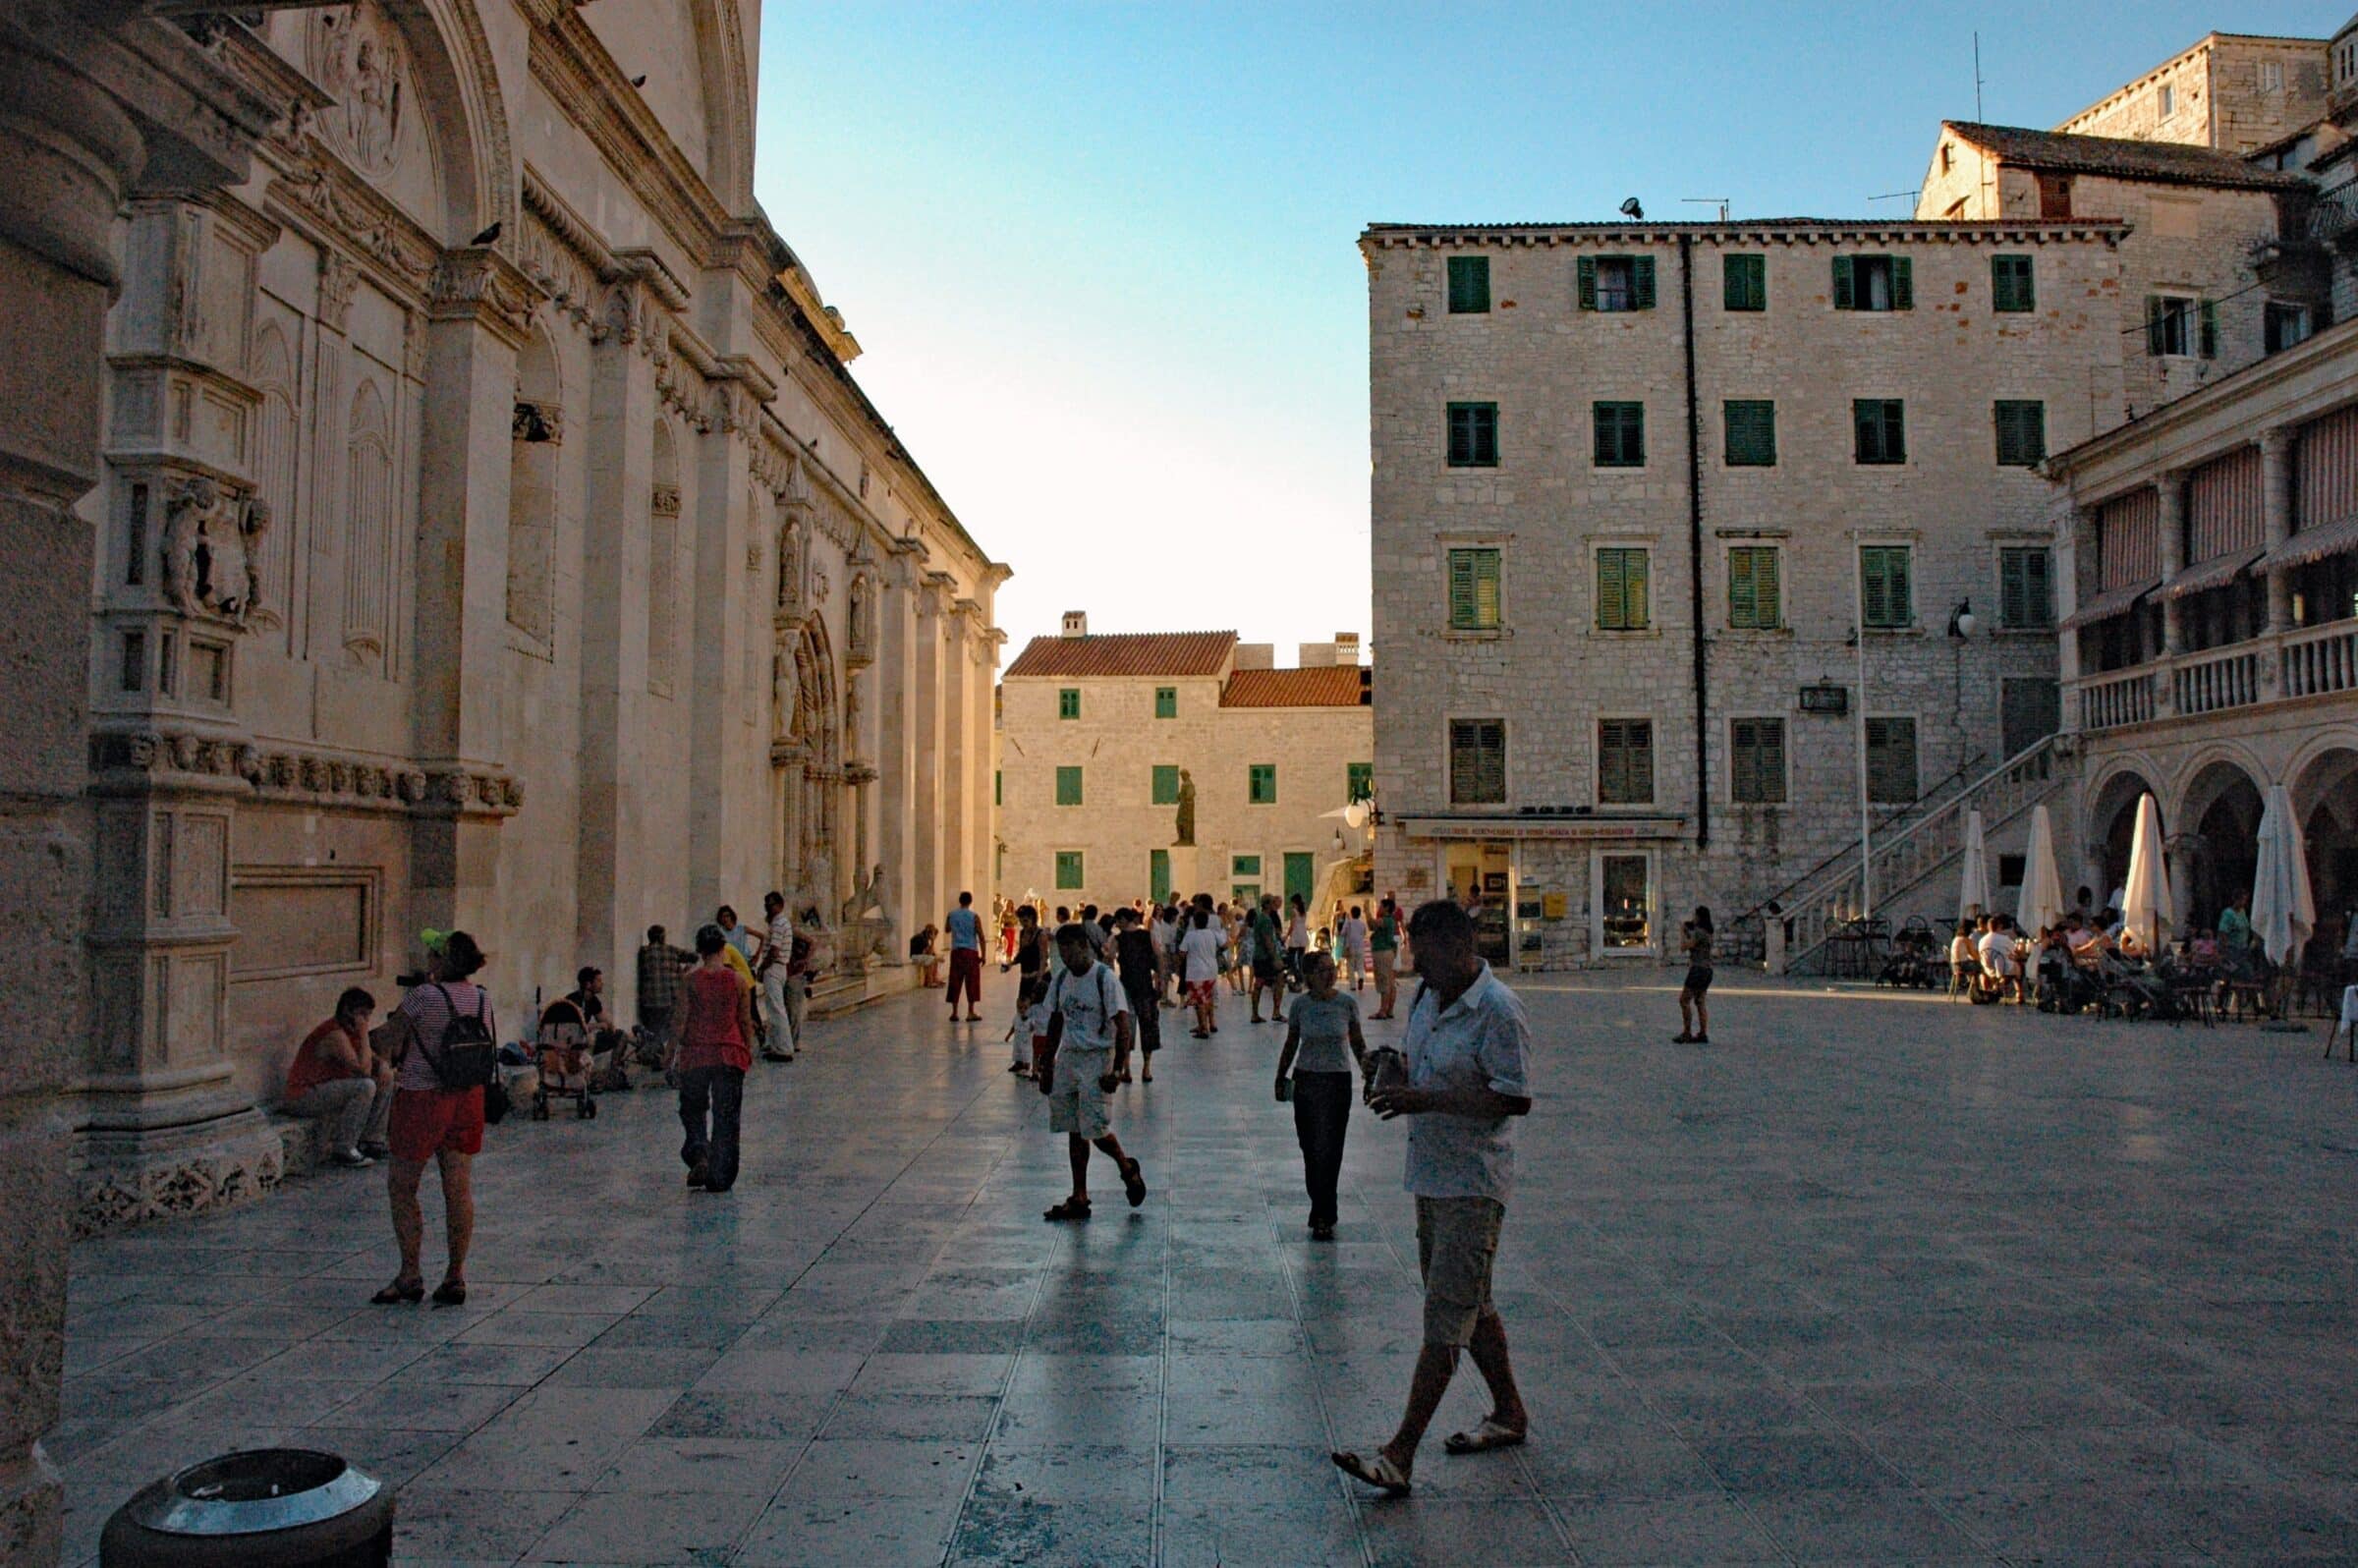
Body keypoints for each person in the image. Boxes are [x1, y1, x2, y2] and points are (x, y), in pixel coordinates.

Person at [1333, 900, 1534, 1497]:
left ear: (1459, 948)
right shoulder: (1427, 999)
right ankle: (1509, 1412)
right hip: (1431, 1176)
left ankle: (1400, 1452)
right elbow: (1420, 1064)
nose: (1416, 966)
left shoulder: (1498, 1011)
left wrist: (1428, 1101)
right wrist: (1391, 1068)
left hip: (1475, 1183)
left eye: (1425, 953)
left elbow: (1515, 1098)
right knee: (1471, 1302)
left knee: (1447, 1315)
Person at [374, 930, 496, 1307]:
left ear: (441, 962)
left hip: (422, 1099)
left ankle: (410, 1273)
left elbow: (387, 1041)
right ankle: (455, 1275)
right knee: (458, 1189)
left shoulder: (423, 996)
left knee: (403, 1186)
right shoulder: (481, 998)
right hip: (466, 1098)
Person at [1039, 924, 1149, 1222]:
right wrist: (1047, 1064)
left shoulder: (1104, 979)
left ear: (1084, 947)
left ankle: (1126, 1168)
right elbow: (1055, 1022)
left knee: (1095, 1128)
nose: (1066, 958)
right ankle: (1079, 1195)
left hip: (1097, 1059)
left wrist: (1117, 1069)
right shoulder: (1061, 979)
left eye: (1070, 951)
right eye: (1061, 952)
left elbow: (1123, 1026)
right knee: (1075, 1127)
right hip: (1070, 1059)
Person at [1275, 951, 1369, 1240]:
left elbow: (1358, 1044)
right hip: (1307, 1080)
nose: (1329, 975)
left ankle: (1323, 1212)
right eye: (1323, 970)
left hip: (1337, 1081)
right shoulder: (1301, 1006)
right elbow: (1291, 1043)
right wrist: (1281, 1076)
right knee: (1311, 1147)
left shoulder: (1347, 1005)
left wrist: (1369, 1075)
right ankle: (1320, 1201)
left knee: (1331, 1147)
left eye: (1332, 969)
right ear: (1309, 975)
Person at [671, 924, 756, 1193]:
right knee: (726, 1115)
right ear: (723, 949)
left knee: (693, 1109)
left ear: (699, 950)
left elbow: (680, 1021)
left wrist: (669, 1052)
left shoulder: (690, 981)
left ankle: (699, 1153)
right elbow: (744, 1020)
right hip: (729, 1053)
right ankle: (721, 1175)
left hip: (696, 1055)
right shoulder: (738, 981)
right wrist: (747, 1049)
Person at [284, 986, 393, 1166]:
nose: (366, 1020)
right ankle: (344, 1148)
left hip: (326, 1089)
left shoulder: (351, 1034)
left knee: (385, 1080)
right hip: (303, 1096)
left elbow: (373, 1061)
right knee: (365, 1086)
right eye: (362, 1015)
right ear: (348, 1012)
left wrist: (383, 1066)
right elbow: (363, 1069)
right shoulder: (335, 1035)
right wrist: (365, 1033)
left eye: (368, 1016)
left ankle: (373, 1140)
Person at [1112, 908, 1161, 1082]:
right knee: (1147, 1027)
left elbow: (1108, 955)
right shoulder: (1147, 936)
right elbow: (1159, 956)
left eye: (1118, 920)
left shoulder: (1119, 939)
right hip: (1145, 986)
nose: (1116, 924)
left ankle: (1127, 1069)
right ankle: (1146, 1069)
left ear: (1124, 920)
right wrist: (1160, 982)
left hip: (1126, 987)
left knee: (1126, 1029)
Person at [636, 925, 695, 1040]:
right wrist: (683, 971)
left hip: (649, 1001)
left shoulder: (643, 952)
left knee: (652, 1032)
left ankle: (653, 1052)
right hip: (670, 999)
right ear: (663, 937)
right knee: (668, 1033)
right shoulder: (672, 950)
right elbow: (694, 956)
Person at [756, 890, 795, 1062]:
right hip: (778, 968)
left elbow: (774, 950)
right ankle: (776, 1044)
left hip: (774, 967)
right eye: (766, 905)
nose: (767, 908)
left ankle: (784, 1048)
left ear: (779, 905)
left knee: (777, 1008)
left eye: (770, 905)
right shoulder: (780, 922)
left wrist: (762, 968)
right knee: (773, 1008)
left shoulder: (779, 923)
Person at [1178, 903, 1225, 1039]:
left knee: (1199, 1001)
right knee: (1208, 997)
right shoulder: (1213, 933)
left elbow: (1182, 952)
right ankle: (1211, 1023)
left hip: (1196, 972)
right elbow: (1224, 944)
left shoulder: (1190, 935)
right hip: (1211, 969)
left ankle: (1203, 1028)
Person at [1673, 907, 1714, 1042]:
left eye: (1695, 915)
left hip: (1698, 970)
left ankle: (1686, 1033)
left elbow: (1684, 947)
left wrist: (1682, 933)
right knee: (1700, 1002)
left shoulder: (1699, 932)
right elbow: (1696, 945)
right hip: (1707, 970)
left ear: (1699, 917)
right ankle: (1703, 1033)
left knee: (1684, 1000)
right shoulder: (1708, 933)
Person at [945, 890, 985, 1021]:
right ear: (970, 901)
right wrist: (983, 954)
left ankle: (954, 1012)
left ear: (960, 901)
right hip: (970, 951)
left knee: (955, 980)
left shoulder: (951, 915)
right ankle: (970, 1011)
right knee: (971, 981)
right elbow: (981, 936)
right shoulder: (974, 916)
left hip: (956, 951)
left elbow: (947, 929)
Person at [1251, 895, 1287, 1024]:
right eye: (1272, 902)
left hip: (1258, 955)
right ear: (1267, 905)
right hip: (1266, 957)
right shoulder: (1266, 920)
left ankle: (1254, 1014)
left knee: (1258, 984)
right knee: (1279, 980)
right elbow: (1268, 940)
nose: (1275, 905)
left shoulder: (1259, 918)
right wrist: (1275, 958)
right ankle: (1276, 1012)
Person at [1370, 897, 1401, 1019]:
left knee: (1384, 981)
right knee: (1390, 981)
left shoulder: (1386, 920)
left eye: (1381, 906)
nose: (1379, 908)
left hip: (1382, 951)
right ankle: (1390, 1010)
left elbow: (1372, 925)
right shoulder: (1391, 920)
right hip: (1388, 951)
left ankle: (1383, 1010)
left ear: (1386, 908)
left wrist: (1367, 911)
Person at [1340, 905, 1371, 992]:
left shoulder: (1348, 922)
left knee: (1350, 967)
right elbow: (1364, 933)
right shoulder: (1362, 923)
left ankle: (1353, 986)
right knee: (1360, 965)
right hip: (1360, 947)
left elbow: (1342, 933)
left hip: (1350, 947)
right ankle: (1361, 977)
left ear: (1352, 913)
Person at [1284, 894, 1312, 988]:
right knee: (1301, 959)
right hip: (1303, 935)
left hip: (1296, 936)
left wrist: (1287, 936)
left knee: (1291, 959)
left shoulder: (1293, 911)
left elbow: (1292, 925)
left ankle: (1298, 977)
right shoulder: (1303, 912)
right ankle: (1302, 978)